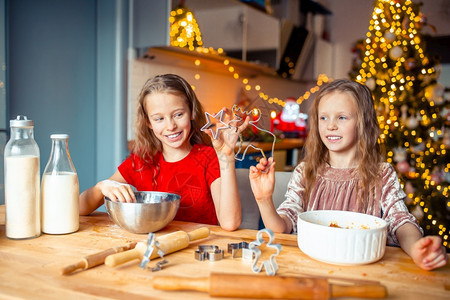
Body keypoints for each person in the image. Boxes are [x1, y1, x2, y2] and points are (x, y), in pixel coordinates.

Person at [249, 79, 448, 270]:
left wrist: (416, 249)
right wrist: (264, 199)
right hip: (310, 269)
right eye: (323, 117)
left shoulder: (381, 174)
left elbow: (401, 222)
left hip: (364, 271)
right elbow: (280, 228)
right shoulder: (305, 171)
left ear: (362, 123)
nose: (330, 125)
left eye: (342, 117)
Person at [79, 74, 249, 231]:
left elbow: (230, 223)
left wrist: (226, 156)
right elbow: (79, 208)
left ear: (191, 112)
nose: (170, 126)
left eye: (178, 114)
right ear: (148, 123)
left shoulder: (209, 158)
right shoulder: (141, 161)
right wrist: (101, 187)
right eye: (159, 118)